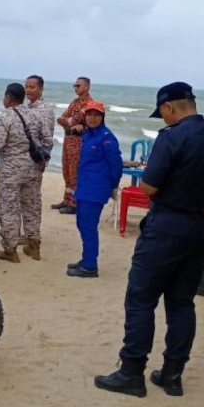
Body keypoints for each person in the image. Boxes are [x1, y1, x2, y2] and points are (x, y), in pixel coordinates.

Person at [95, 83, 204, 398]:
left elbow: (147, 188)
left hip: (165, 226)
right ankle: (172, 375)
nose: (163, 120)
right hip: (199, 228)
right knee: (182, 303)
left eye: (163, 114)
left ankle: (132, 372)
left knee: (141, 300)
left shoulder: (171, 138)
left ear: (170, 107)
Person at [0, 83, 51, 263]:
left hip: (10, 172)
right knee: (32, 207)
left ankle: (10, 250)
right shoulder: (36, 115)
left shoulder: (5, 117)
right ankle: (33, 245)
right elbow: (47, 139)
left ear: (8, 98)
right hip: (33, 170)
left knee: (8, 209)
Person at [67, 100, 123, 278]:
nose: (92, 118)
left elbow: (116, 165)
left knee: (88, 226)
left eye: (96, 115)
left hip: (96, 189)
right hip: (84, 187)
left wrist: (111, 186)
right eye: (89, 114)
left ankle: (90, 266)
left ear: (102, 117)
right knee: (82, 224)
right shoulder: (88, 134)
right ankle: (86, 259)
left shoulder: (106, 137)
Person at [54, 77, 92, 215]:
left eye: (78, 86)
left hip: (79, 142)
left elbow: (74, 120)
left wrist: (74, 123)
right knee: (67, 171)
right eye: (74, 86)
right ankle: (67, 200)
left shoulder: (89, 104)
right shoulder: (75, 102)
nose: (75, 88)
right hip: (68, 140)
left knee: (75, 173)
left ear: (87, 87)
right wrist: (70, 123)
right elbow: (61, 118)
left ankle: (75, 204)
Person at [24, 75, 56, 143]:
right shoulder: (27, 107)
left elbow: (47, 139)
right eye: (26, 87)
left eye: (32, 87)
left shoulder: (45, 109)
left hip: (37, 152)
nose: (27, 90)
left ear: (41, 90)